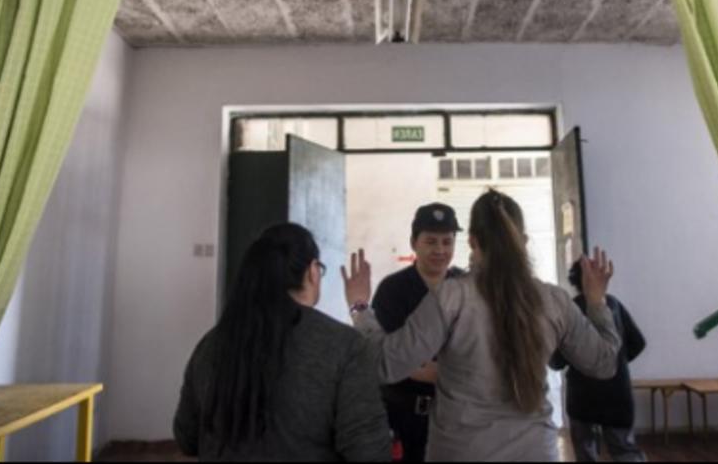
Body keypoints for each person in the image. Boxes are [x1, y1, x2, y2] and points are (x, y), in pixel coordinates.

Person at [343, 189, 622, 462]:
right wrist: (596, 302)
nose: (439, 249)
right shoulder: (554, 300)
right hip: (536, 450)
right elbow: (604, 363)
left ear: (472, 241)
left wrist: (359, 307)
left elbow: (384, 364)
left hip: (463, 449)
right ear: (524, 241)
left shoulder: (451, 296)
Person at [174, 223, 391, 462]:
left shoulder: (212, 344)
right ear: (312, 272)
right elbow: (369, 451)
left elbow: (187, 438)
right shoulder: (345, 346)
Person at [371, 203, 465, 462]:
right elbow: (390, 358)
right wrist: (458, 372)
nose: (440, 250)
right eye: (431, 242)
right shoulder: (392, 290)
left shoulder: (466, 287)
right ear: (414, 243)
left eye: (447, 242)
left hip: (457, 419)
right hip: (404, 419)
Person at [550, 261, 647, 462]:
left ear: (574, 280)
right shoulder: (614, 304)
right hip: (617, 391)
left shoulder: (570, 309)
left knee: (586, 453)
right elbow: (638, 343)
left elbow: (557, 361)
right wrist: (617, 363)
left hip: (582, 395)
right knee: (624, 451)